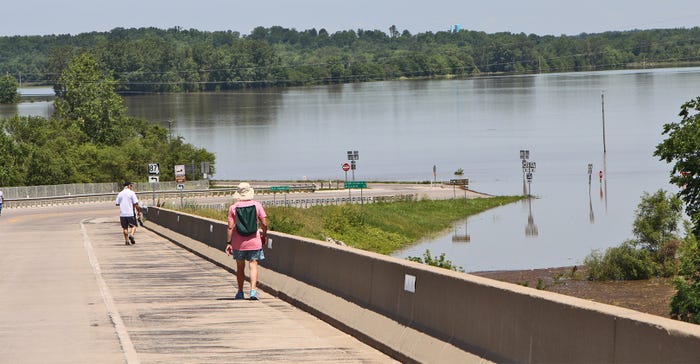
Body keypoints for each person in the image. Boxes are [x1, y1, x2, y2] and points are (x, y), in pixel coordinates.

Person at [226, 182, 268, 300]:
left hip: (239, 243)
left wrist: (228, 243)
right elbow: (264, 223)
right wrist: (263, 235)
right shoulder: (257, 205)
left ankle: (240, 292)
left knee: (240, 267)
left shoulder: (233, 208)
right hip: (254, 241)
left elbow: (230, 227)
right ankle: (253, 291)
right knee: (253, 265)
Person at [116, 181, 141, 245]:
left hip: (122, 214)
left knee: (125, 228)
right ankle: (131, 235)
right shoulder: (132, 193)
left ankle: (127, 241)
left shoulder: (120, 193)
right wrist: (138, 211)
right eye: (131, 186)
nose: (132, 187)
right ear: (128, 186)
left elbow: (117, 203)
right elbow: (136, 203)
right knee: (134, 226)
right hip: (130, 213)